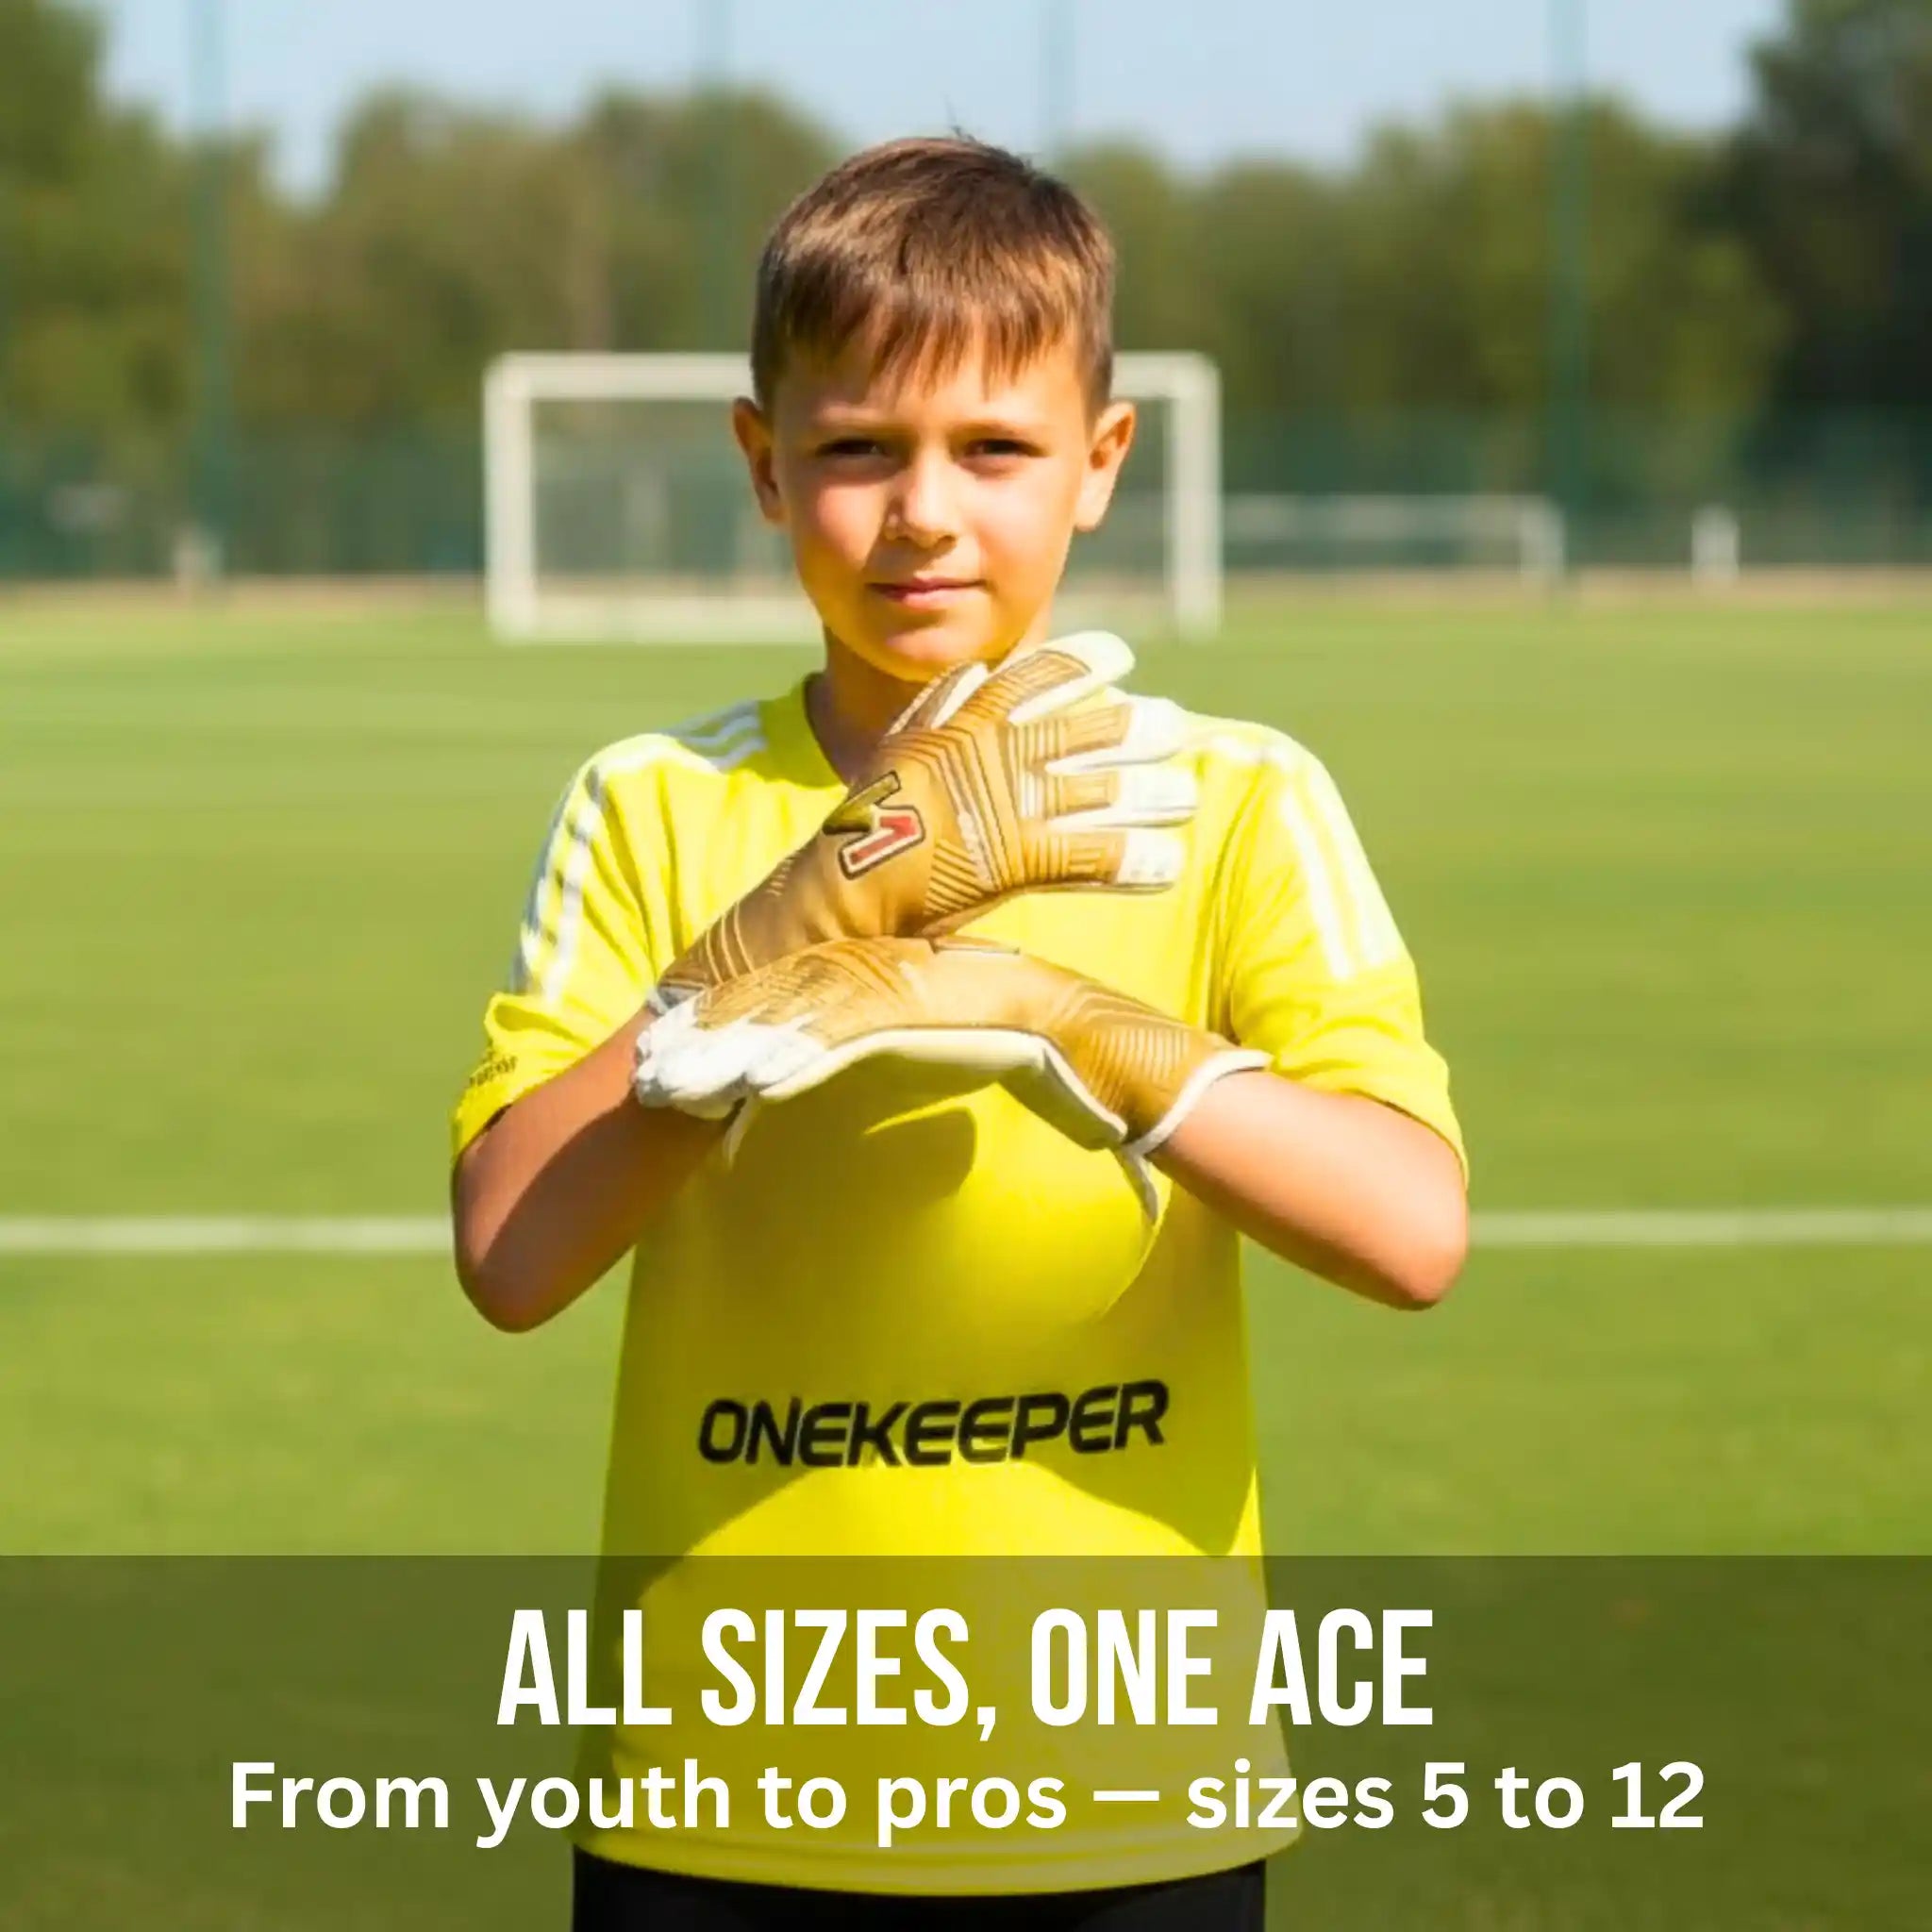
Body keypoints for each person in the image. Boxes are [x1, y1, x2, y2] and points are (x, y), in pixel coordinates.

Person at [453, 135, 1466, 1932]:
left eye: (995, 448)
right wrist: (795, 919)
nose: (924, 510)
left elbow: (1409, 1232)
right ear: (763, 465)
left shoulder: (1232, 800)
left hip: (1129, 1787)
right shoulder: (653, 803)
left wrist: (1068, 1019)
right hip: (718, 1786)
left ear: (1103, 461)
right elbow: (515, 1253)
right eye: (859, 449)